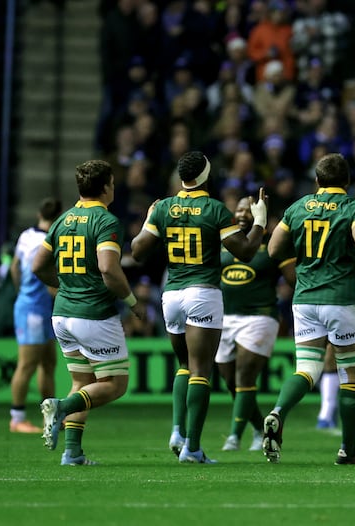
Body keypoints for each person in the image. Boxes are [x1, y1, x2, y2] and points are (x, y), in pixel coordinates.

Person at [131, 151, 267, 463]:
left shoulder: (163, 207)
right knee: (201, 371)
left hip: (172, 294)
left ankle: (177, 431)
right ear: (207, 176)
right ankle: (192, 448)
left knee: (183, 364)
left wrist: (151, 219)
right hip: (203, 292)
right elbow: (245, 251)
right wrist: (260, 220)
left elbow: (137, 251)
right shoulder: (216, 209)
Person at [263, 152, 355, 465]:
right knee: (351, 375)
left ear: (317, 181)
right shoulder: (353, 207)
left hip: (305, 298)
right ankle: (347, 450)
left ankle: (278, 411)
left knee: (307, 369)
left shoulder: (297, 207)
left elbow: (272, 249)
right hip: (341, 299)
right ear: (347, 181)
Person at [32, 160, 146, 465]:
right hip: (93, 314)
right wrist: (133, 302)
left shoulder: (62, 219)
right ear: (107, 186)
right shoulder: (106, 221)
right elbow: (109, 269)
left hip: (62, 314)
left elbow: (37, 266)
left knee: (83, 382)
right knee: (114, 384)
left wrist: (66, 285)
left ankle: (73, 453)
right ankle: (61, 407)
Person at [216, 196, 296, 452]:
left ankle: (233, 437)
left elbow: (293, 278)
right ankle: (258, 427)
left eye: (248, 210)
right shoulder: (225, 242)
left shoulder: (272, 244)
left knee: (244, 376)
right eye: (238, 209)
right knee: (231, 382)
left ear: (259, 214)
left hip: (260, 316)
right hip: (224, 317)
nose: (242, 214)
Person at [9, 197, 62, 433]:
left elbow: (14, 268)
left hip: (35, 306)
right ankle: (17, 418)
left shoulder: (25, 236)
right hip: (34, 310)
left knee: (48, 362)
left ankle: (48, 417)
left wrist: (22, 292)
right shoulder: (50, 242)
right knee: (27, 364)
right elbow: (50, 281)